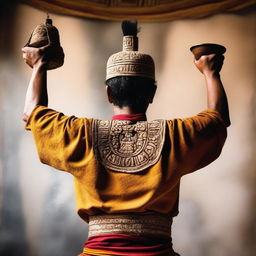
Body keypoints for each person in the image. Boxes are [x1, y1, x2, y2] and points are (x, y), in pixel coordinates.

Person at [22, 21, 230, 256]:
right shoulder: (175, 135)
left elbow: (33, 113)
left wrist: (38, 64)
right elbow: (218, 120)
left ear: (109, 94)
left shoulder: (81, 134)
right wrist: (211, 72)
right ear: (152, 93)